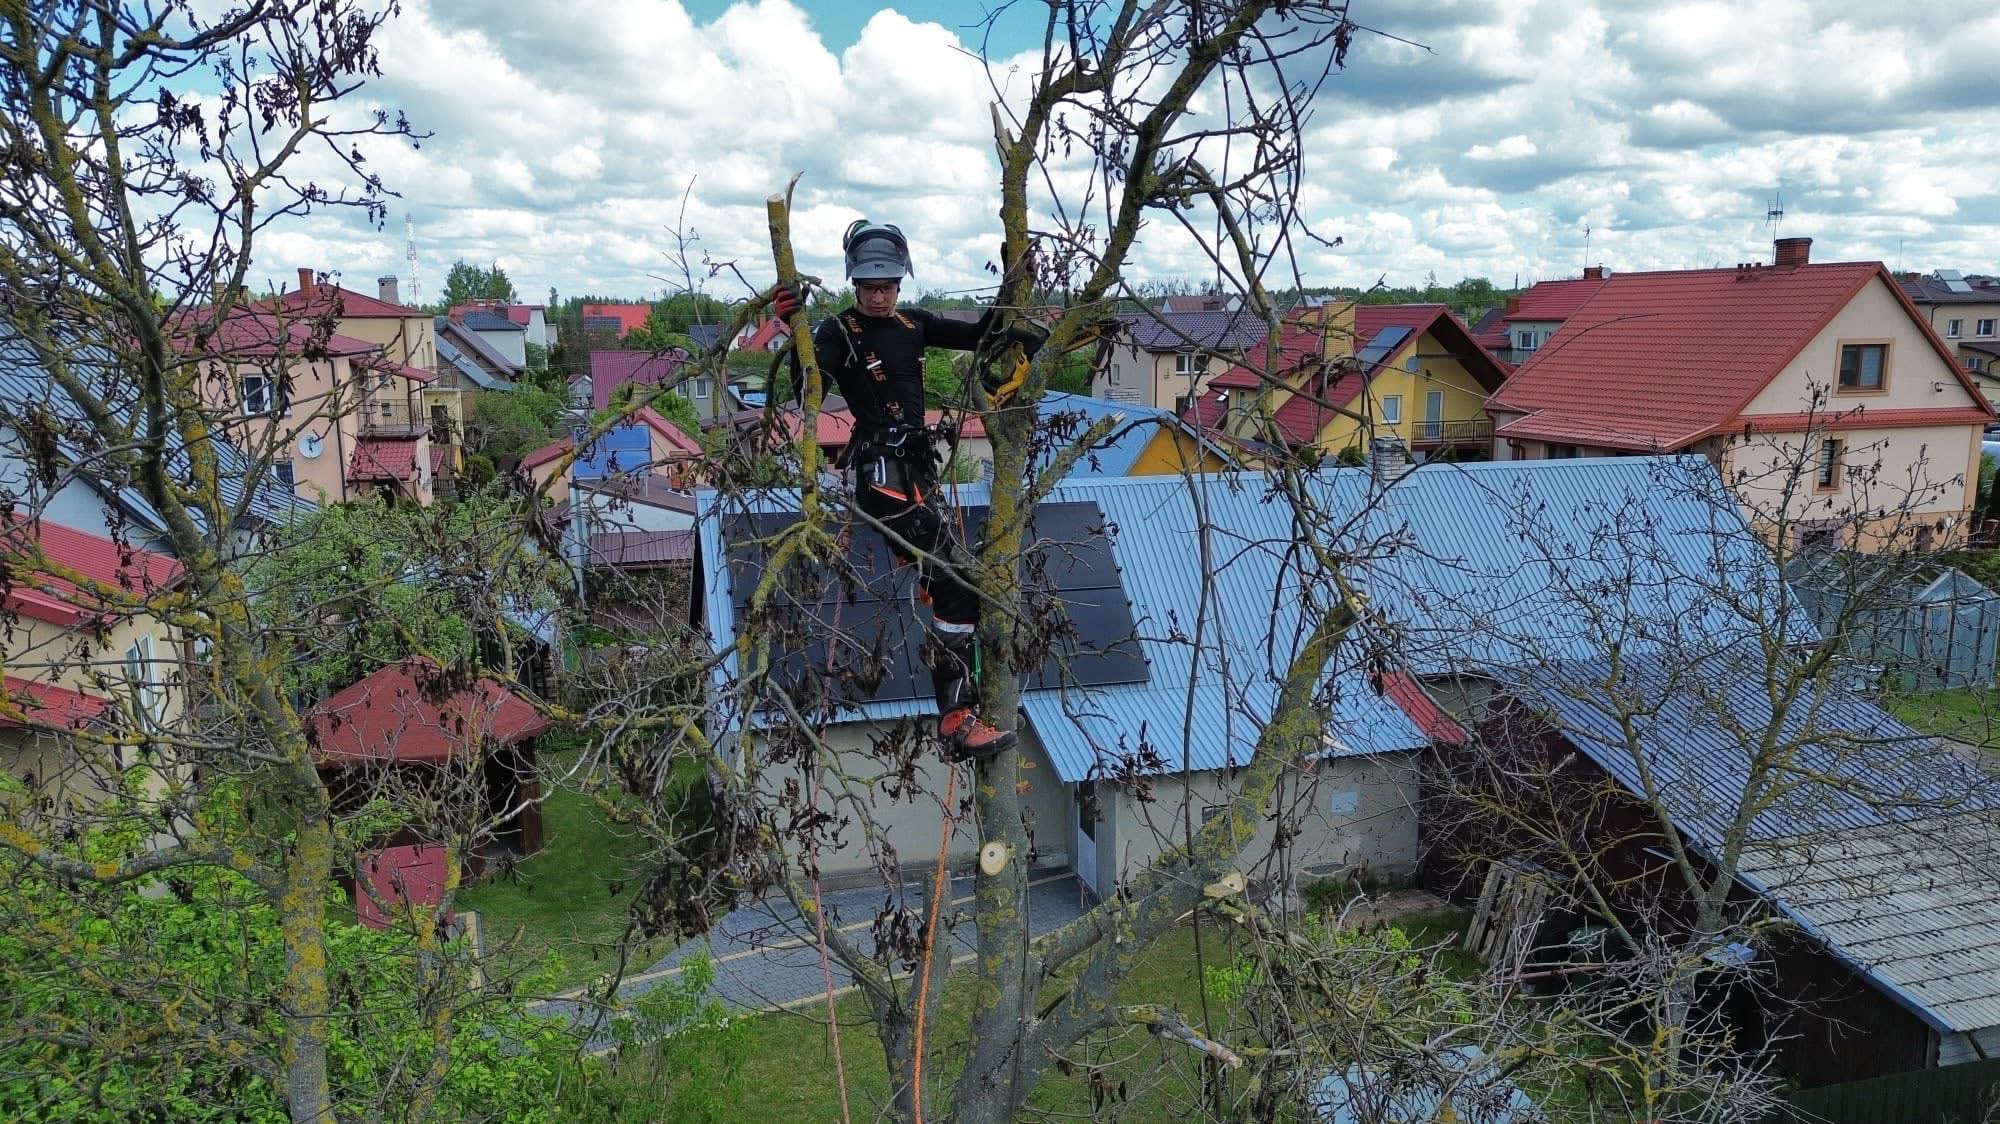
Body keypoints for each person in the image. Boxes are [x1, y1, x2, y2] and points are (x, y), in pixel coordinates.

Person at [776, 220, 1045, 761]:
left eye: (887, 286)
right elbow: (810, 389)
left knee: (956, 582)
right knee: (956, 586)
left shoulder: (912, 323)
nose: (878, 296)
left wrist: (1015, 284)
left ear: (900, 283)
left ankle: (964, 708)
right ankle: (954, 719)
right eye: (869, 287)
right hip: (882, 478)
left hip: (919, 472)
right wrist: (796, 334)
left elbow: (978, 335)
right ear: (854, 283)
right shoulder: (837, 333)